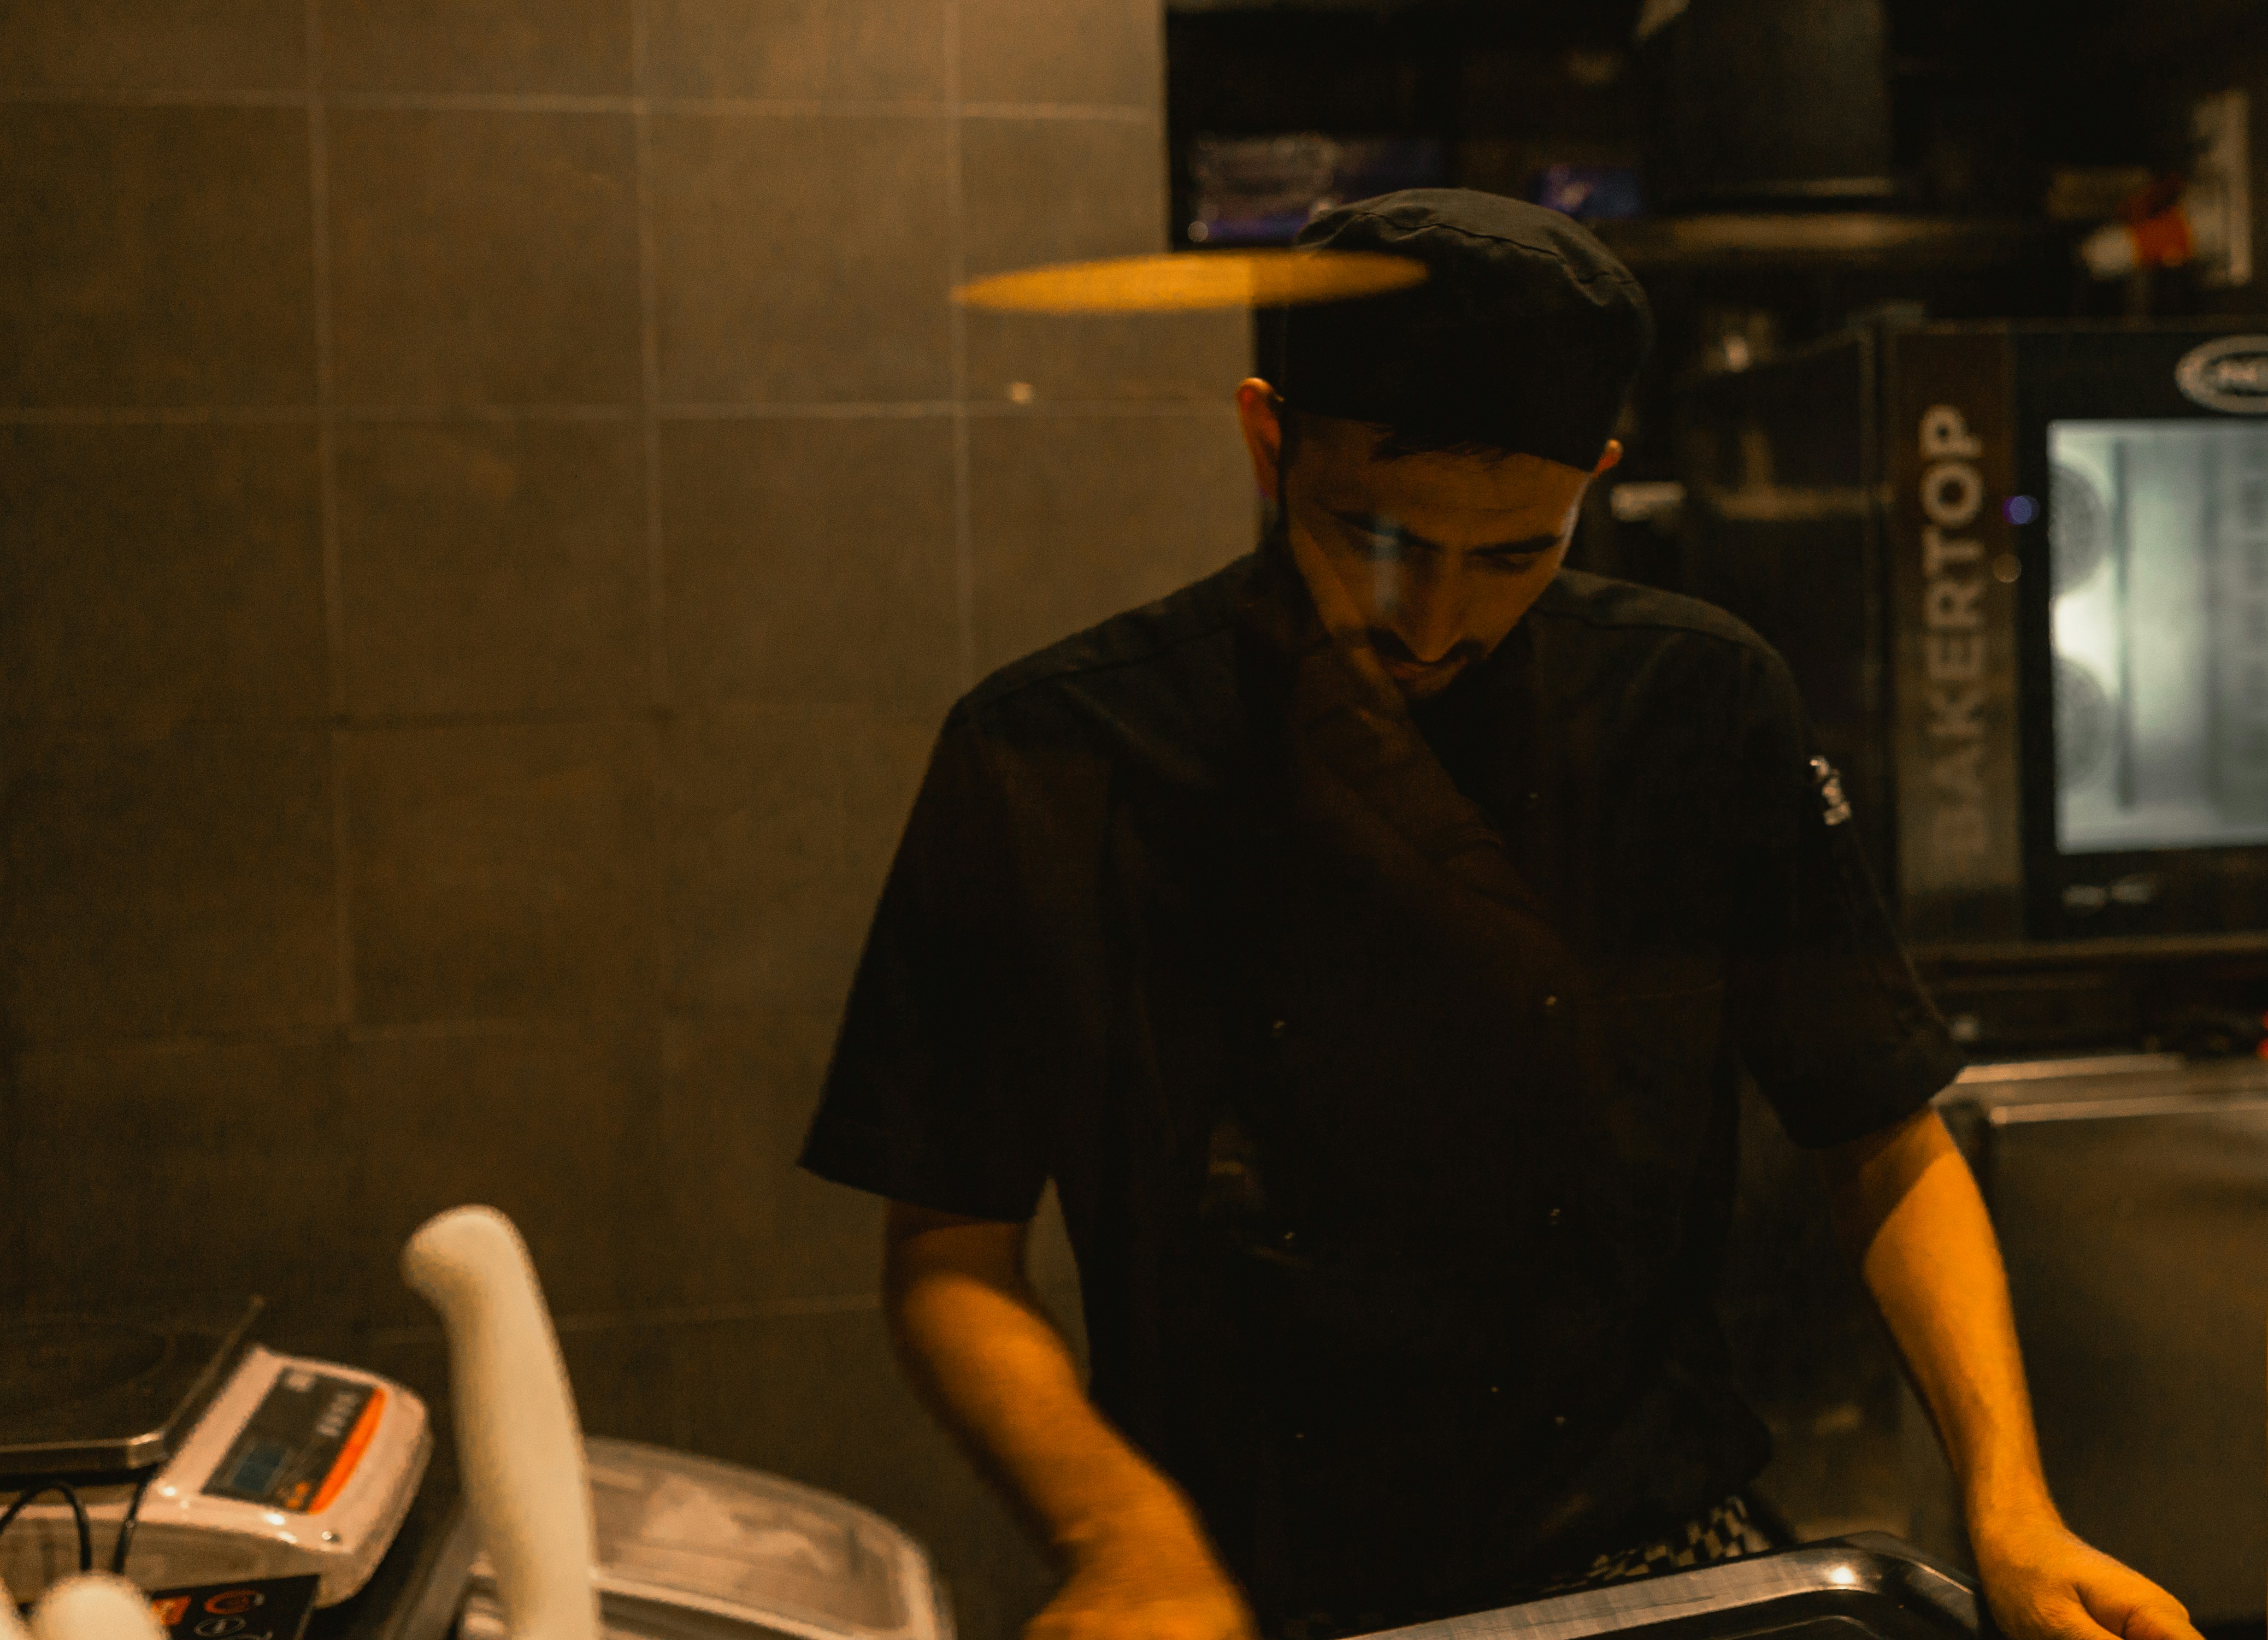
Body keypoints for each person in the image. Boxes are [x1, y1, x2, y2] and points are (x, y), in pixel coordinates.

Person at [800, 191, 2198, 1640]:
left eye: (1514, 555)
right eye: (1378, 540)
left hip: (1659, 1568)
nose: (1435, 621)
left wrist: (2011, 1506)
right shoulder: (1057, 751)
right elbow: (951, 1254)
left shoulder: (1699, 704)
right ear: (1268, 442)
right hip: (1245, 1600)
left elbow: (1886, 1141)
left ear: (1595, 482)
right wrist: (1123, 1540)